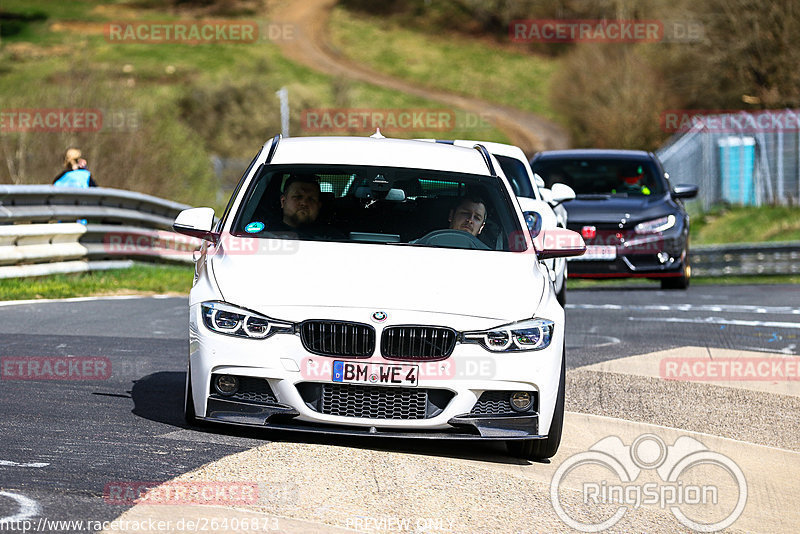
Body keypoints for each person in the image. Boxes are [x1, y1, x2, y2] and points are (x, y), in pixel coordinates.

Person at [267, 174, 341, 239]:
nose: (304, 203)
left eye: (311, 199)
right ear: (283, 201)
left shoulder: (334, 238)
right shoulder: (265, 234)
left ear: (319, 206)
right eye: (298, 196)